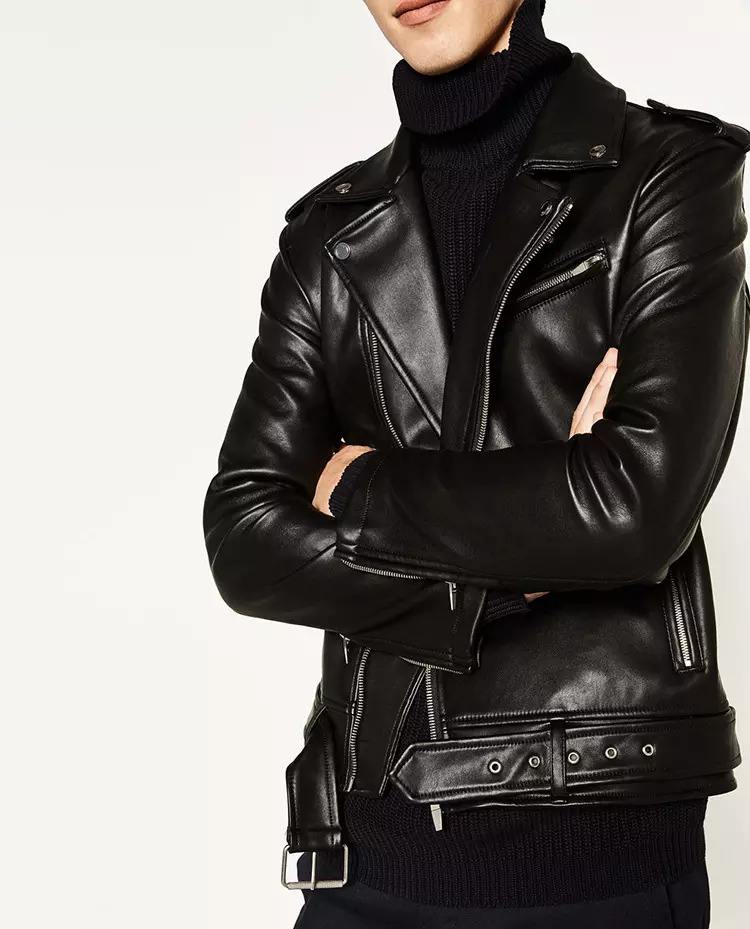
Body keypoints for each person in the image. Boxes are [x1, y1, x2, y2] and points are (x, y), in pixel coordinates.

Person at [203, 1, 750, 925]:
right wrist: (532, 552)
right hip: (363, 855)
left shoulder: (670, 177)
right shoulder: (328, 234)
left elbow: (633, 510)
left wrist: (361, 488)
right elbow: (245, 537)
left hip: (598, 857)